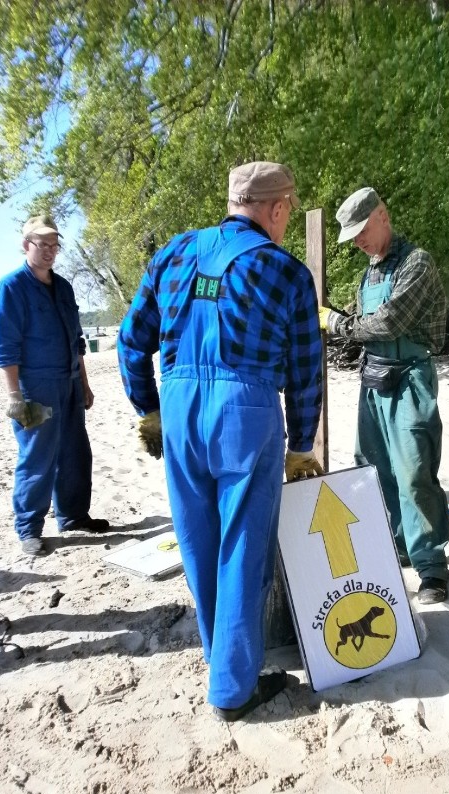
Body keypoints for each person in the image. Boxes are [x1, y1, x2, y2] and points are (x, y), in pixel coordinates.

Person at [117, 161, 323, 721]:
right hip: (246, 414)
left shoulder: (174, 254)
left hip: (181, 410)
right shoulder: (287, 272)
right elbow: (306, 369)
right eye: (286, 213)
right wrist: (302, 444)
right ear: (277, 209)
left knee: (199, 544)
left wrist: (150, 410)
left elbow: (131, 340)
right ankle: (233, 690)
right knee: (243, 549)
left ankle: (220, 657)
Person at [319, 187, 449, 604]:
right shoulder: (367, 274)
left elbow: (387, 323)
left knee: (415, 473)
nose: (357, 241)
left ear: (382, 215)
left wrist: (335, 324)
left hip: (411, 378)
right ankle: (399, 548)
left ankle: (431, 568)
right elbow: (364, 323)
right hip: (373, 381)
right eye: (351, 235)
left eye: (361, 230)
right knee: (376, 471)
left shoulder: (417, 263)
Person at [0, 214, 110, 557]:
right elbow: (3, 348)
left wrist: (84, 384)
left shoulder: (64, 287)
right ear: (26, 245)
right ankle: (29, 529)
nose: (48, 251)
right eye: (41, 244)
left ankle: (73, 516)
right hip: (35, 388)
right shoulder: (11, 287)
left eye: (54, 244)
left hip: (69, 383)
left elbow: (77, 342)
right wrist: (14, 397)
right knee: (37, 457)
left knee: (75, 453)